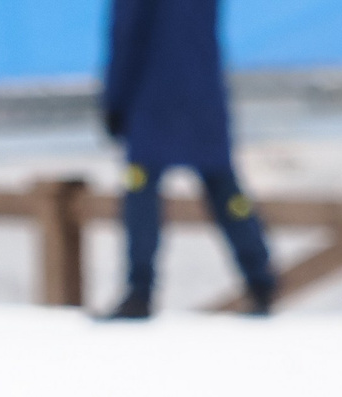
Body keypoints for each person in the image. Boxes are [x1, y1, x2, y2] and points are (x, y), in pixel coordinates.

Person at [101, 0, 277, 318]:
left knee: (141, 193)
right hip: (203, 95)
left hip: (151, 100)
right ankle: (260, 275)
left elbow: (127, 36)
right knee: (225, 190)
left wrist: (114, 101)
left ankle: (139, 288)